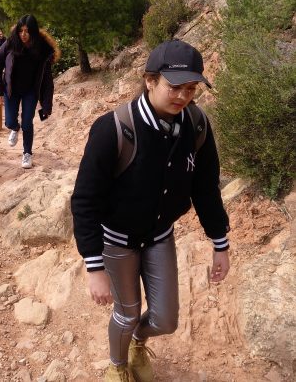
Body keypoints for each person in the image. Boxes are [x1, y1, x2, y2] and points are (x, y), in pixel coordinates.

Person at [71, 39, 230, 382]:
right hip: (117, 240)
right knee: (126, 314)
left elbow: (206, 188)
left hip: (159, 236)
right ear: (150, 80)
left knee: (166, 319)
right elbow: (85, 199)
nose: (183, 96)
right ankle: (117, 367)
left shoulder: (196, 126)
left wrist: (220, 243)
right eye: (174, 87)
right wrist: (93, 265)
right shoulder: (114, 129)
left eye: (191, 89)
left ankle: (137, 343)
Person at [0, 15, 59, 169]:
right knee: (10, 122)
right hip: (11, 89)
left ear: (33, 32)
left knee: (27, 122)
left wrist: (46, 105)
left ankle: (27, 153)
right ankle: (15, 128)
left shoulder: (42, 49)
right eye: (21, 30)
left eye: (27, 31)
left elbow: (47, 80)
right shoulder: (10, 43)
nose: (23, 34)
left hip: (30, 90)